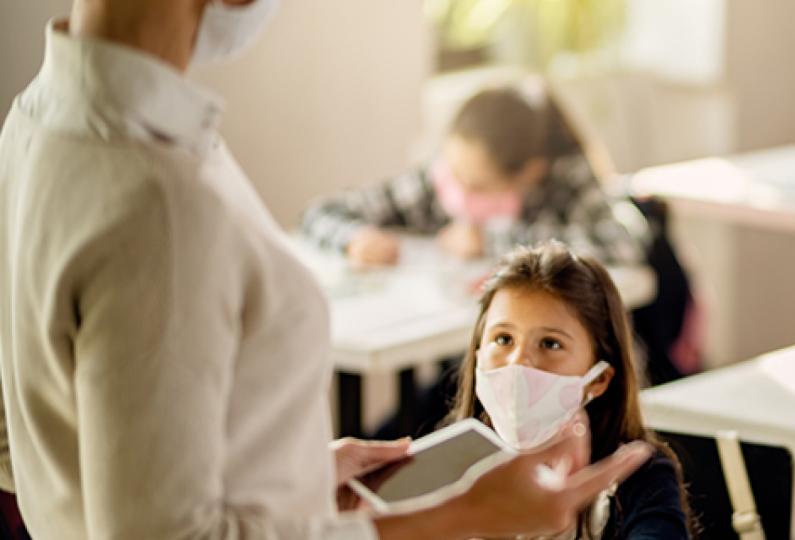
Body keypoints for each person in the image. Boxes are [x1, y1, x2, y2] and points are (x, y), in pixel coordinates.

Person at [0, 1, 648, 538]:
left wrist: (293, 478)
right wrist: (461, 515)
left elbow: (53, 433)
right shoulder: (160, 200)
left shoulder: (32, 124)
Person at [445, 242, 691, 539]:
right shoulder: (450, 463)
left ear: (598, 379)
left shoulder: (640, 478)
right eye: (503, 339)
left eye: (550, 344)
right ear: (477, 352)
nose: (518, 362)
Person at [301, 82, 648, 268]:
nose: (459, 190)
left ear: (529, 173)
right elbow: (322, 211)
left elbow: (623, 242)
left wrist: (493, 241)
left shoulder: (565, 178)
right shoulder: (438, 182)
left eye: (478, 185)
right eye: (454, 172)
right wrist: (354, 239)